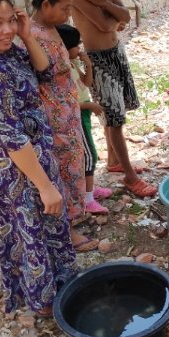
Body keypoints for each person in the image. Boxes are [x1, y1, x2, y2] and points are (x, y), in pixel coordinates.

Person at [0, 0, 78, 317]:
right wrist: (44, 184)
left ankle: (62, 284)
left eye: (10, 20)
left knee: (49, 221)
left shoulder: (8, 50)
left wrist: (26, 36)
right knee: (32, 227)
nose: (6, 30)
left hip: (37, 153)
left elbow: (44, 72)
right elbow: (11, 137)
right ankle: (42, 301)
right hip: (19, 166)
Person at [67, 0, 157, 198]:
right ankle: (130, 177)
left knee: (116, 112)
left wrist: (105, 3)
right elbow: (107, 24)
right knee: (114, 118)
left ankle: (114, 161)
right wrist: (111, 12)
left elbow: (125, 15)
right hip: (99, 59)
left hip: (116, 51)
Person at [26, 0, 95, 243]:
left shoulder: (51, 28)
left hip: (67, 113)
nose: (69, 13)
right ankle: (66, 232)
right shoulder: (31, 36)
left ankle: (71, 223)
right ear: (46, 5)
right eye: (65, 8)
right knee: (62, 174)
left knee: (73, 168)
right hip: (53, 119)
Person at [56, 23, 113, 215]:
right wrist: (89, 106)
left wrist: (87, 65)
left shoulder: (71, 64)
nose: (79, 49)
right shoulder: (62, 70)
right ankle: (88, 199)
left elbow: (86, 82)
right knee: (89, 156)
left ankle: (88, 189)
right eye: (76, 45)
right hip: (76, 115)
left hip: (84, 114)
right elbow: (65, 103)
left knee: (87, 152)